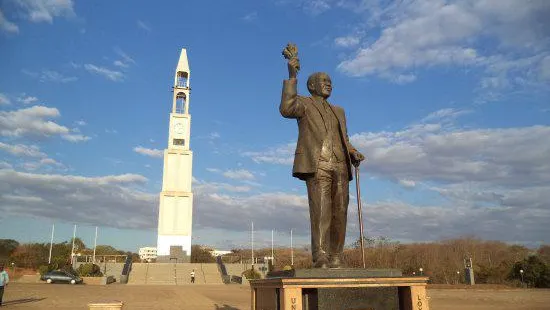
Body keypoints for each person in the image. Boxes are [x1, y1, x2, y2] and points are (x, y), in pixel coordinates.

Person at [280, 47, 365, 268]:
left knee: (340, 211)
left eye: (330, 81)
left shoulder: (339, 111)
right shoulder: (304, 104)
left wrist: (353, 151)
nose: (328, 84)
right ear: (311, 86)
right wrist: (292, 76)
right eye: (323, 81)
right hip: (318, 164)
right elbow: (286, 108)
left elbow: (344, 138)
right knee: (321, 211)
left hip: (340, 165)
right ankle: (321, 256)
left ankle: (337, 255)